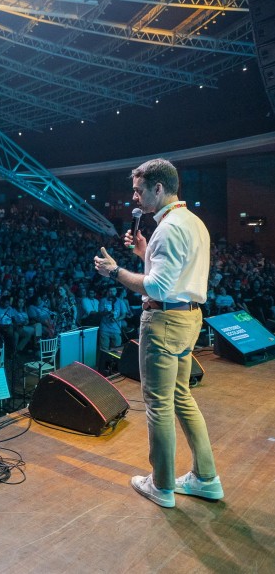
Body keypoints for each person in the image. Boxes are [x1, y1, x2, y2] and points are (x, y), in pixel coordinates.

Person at [94, 158, 223, 508]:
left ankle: (162, 485)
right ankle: (206, 478)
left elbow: (158, 288)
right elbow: (176, 275)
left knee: (159, 405)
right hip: (189, 320)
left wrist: (115, 270)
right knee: (181, 397)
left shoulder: (168, 228)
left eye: (138, 191)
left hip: (164, 322)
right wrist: (144, 251)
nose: (135, 198)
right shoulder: (192, 222)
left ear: (158, 188)